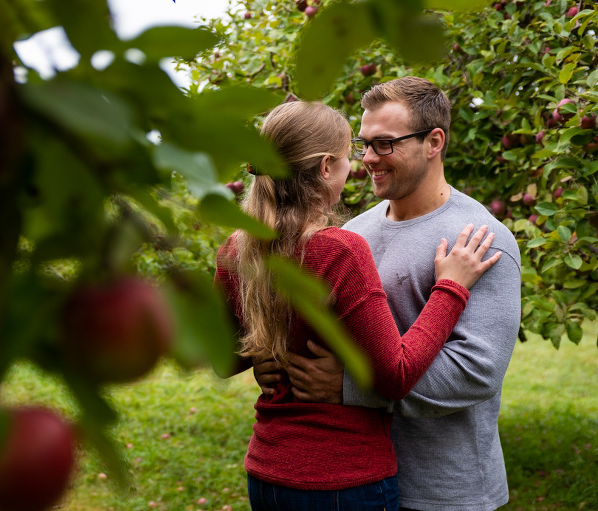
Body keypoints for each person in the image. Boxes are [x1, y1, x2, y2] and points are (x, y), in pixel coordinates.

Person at [214, 99, 502, 511]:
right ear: (327, 167)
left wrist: (261, 352)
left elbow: (222, 360)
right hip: (343, 479)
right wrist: (451, 288)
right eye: (351, 155)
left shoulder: (237, 247)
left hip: (267, 473)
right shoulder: (340, 249)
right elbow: (396, 375)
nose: (360, 164)